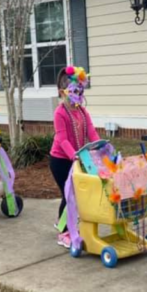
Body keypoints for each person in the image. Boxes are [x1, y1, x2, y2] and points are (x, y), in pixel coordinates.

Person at [49, 66, 99, 249]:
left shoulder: (83, 112)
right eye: (73, 91)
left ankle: (63, 223)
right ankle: (63, 233)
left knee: (75, 194)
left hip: (76, 159)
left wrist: (100, 147)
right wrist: (74, 155)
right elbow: (61, 139)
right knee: (69, 195)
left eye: (80, 90)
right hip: (61, 160)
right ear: (63, 92)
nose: (77, 94)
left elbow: (91, 132)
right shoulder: (60, 113)